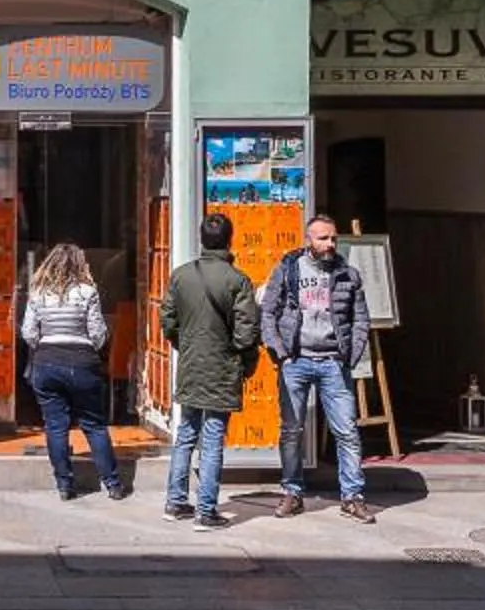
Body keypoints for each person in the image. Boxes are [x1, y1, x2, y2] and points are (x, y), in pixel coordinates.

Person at [259, 213, 375, 522]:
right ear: (308, 240)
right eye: (323, 238)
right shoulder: (289, 269)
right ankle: (292, 492)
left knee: (347, 431)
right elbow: (268, 311)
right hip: (296, 361)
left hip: (333, 362)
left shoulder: (348, 274)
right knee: (291, 430)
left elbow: (361, 318)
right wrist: (280, 353)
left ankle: (352, 497)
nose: (330, 243)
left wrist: (350, 355)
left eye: (333, 238)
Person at [160, 211, 260, 528]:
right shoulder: (238, 280)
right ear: (229, 239)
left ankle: (176, 502)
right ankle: (206, 510)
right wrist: (245, 361)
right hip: (222, 367)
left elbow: (167, 322)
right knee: (214, 438)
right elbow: (246, 334)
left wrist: (186, 345)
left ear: (202, 240)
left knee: (186, 434)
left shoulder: (180, 276)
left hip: (191, 364)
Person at [20, 241, 127, 502]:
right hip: (82, 364)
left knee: (56, 427)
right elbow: (98, 334)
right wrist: (93, 344)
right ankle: (112, 484)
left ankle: (65, 486)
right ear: (81, 264)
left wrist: (46, 346)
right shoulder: (87, 291)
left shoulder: (38, 292)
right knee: (94, 425)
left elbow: (28, 333)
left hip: (46, 363)